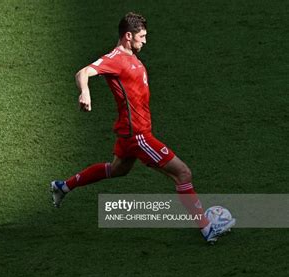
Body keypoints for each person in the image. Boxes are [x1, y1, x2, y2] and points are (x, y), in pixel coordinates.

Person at [50, 12, 235, 243]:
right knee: (183, 173)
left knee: (117, 169)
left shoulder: (132, 57)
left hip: (130, 134)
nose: (145, 41)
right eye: (142, 36)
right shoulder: (115, 59)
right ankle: (207, 229)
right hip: (138, 136)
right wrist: (85, 91)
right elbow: (83, 72)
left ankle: (63, 186)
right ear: (129, 36)